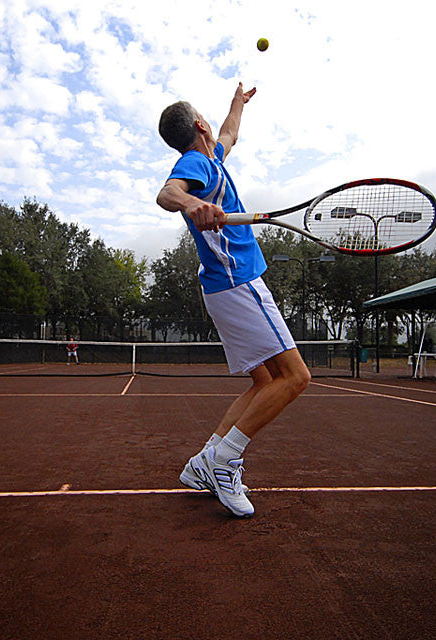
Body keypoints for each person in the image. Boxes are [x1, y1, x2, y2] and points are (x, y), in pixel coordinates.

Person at [156, 83, 311, 517]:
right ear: (198, 125)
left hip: (223, 287)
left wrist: (236, 105)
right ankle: (226, 461)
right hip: (238, 282)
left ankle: (205, 460)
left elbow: (230, 134)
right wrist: (190, 204)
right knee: (295, 378)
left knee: (265, 380)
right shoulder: (195, 164)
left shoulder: (213, 158)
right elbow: (166, 194)